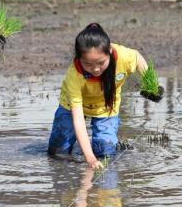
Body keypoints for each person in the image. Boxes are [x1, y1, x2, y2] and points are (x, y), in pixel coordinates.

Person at [47, 23, 161, 169]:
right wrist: (90, 159)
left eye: (101, 63)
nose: (95, 69)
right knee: (59, 152)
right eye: (88, 64)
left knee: (105, 152)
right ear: (79, 58)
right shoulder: (74, 75)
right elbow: (78, 120)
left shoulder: (123, 57)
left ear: (110, 52)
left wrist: (151, 85)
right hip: (72, 107)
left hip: (106, 106)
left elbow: (137, 58)